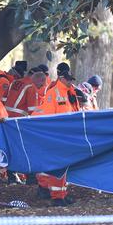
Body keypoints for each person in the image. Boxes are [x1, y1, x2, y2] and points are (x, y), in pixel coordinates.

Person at [34, 62, 78, 206]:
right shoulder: (53, 93)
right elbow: (45, 116)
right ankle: (57, 197)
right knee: (57, 166)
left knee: (64, 167)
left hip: (68, 136)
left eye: (71, 79)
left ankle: (61, 194)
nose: (71, 81)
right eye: (69, 79)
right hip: (56, 136)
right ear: (62, 78)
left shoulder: (71, 93)